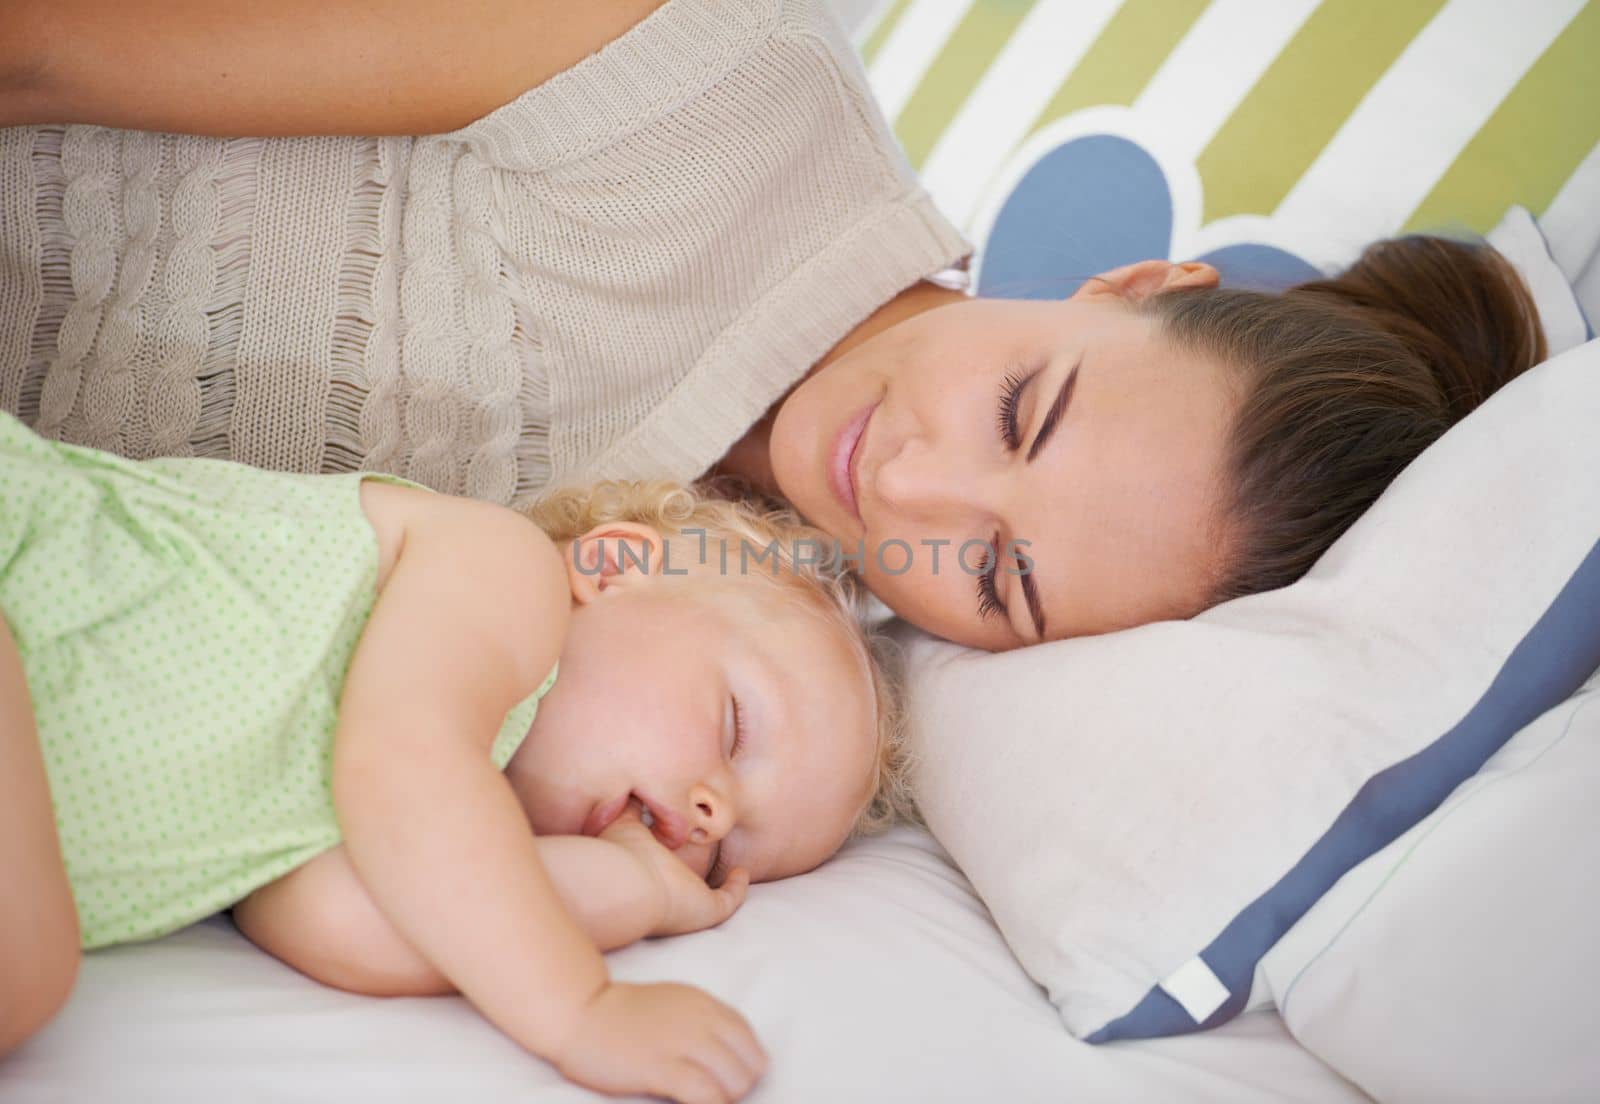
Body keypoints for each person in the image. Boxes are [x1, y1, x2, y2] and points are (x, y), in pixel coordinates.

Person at [0, 3, 1548, 655]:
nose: (915, 496)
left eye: (998, 578)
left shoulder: (753, 642)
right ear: (1132, 286)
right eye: (1025, 413)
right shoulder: (705, 70)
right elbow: (42, 48)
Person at [0, 410, 906, 1104]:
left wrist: (641, 889)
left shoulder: (405, 841)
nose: (711, 818)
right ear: (616, 566)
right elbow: (406, 762)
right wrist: (581, 1009)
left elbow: (354, 927)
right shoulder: (495, 571)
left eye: (732, 853)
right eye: (735, 728)